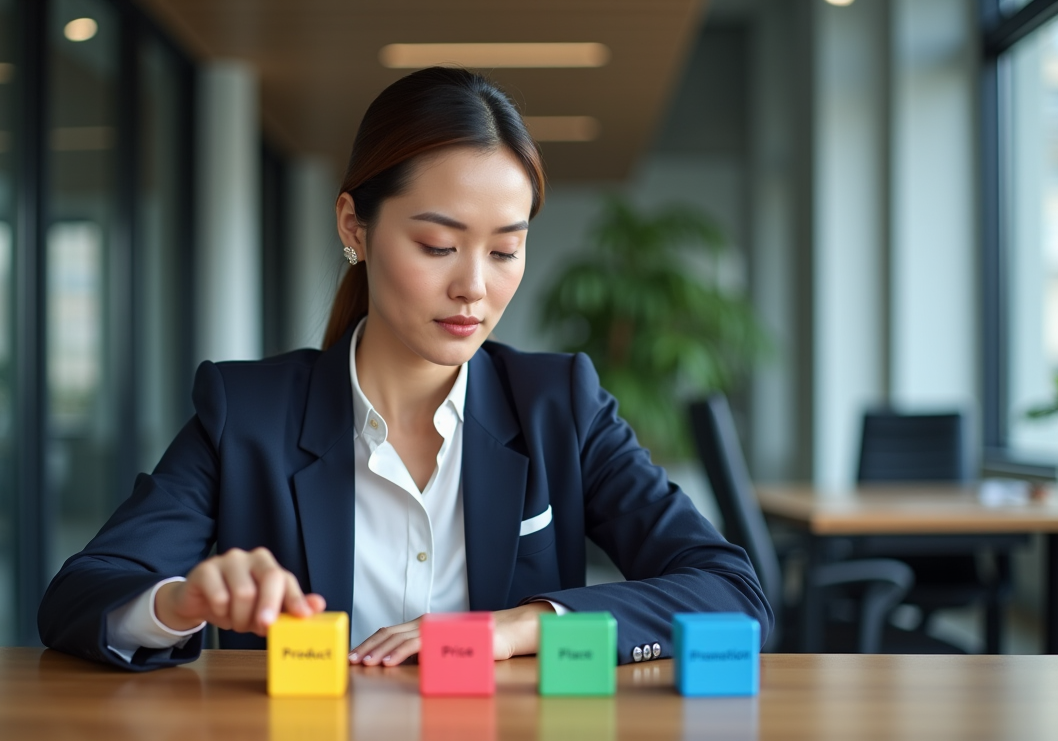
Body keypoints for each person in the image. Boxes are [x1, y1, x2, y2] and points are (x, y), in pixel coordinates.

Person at [38, 67, 771, 672]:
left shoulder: (559, 407)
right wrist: (180, 602)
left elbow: (732, 591)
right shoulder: (248, 414)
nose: (474, 288)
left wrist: (520, 627)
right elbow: (80, 596)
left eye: (505, 250)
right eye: (437, 245)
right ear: (355, 227)